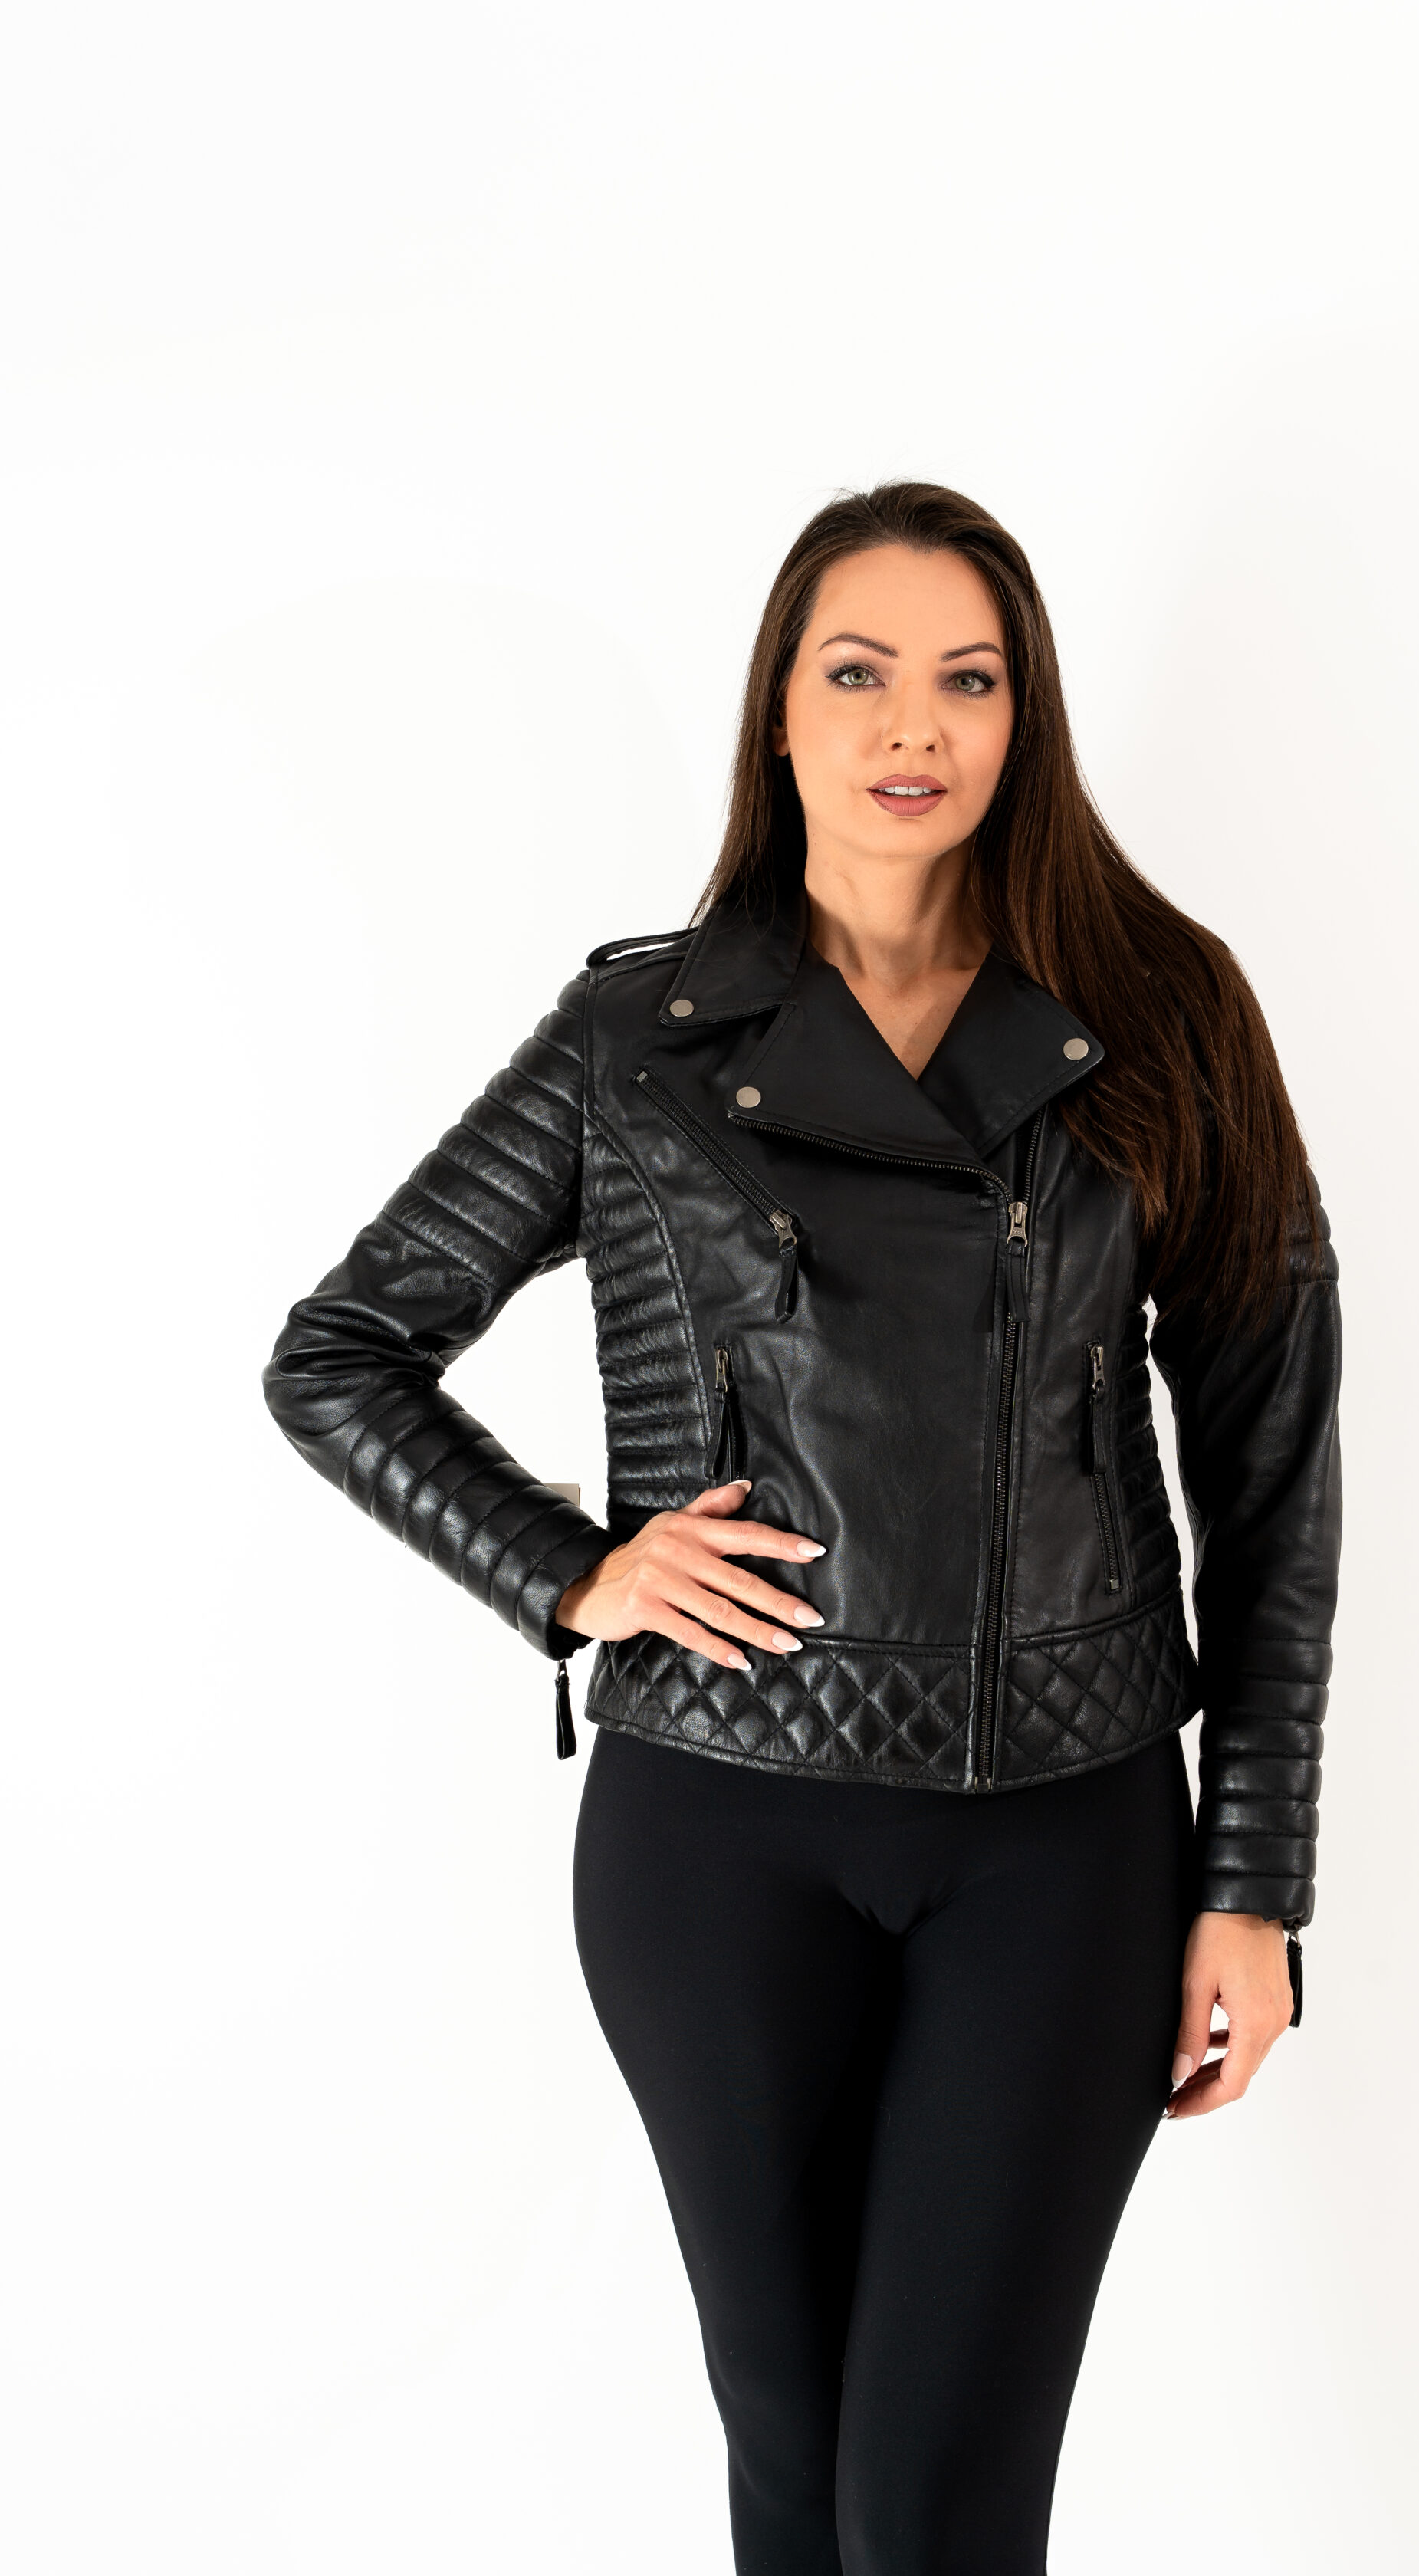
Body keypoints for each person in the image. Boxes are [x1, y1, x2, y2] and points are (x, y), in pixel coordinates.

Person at [263, 481, 1342, 2576]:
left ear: (1025, 717)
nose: (910, 724)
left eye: (968, 679)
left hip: (1064, 1836)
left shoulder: (1164, 1012)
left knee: (931, 2502)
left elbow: (1273, 1467)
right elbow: (344, 1351)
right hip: (717, 1834)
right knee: (793, 2469)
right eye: (858, 672)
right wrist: (572, 1570)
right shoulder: (637, 1040)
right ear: (780, 709)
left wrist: (1256, 1881)